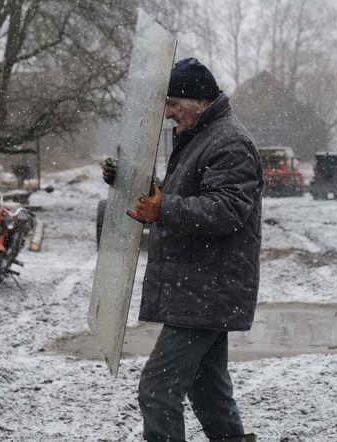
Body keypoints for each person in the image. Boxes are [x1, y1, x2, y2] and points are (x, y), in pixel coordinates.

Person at [102, 57, 262, 442]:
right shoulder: (202, 137)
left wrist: (164, 209)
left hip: (206, 290)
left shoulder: (229, 142)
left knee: (156, 391)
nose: (168, 114)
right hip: (202, 287)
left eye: (173, 104)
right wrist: (131, 183)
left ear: (198, 100)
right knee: (208, 390)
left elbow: (227, 210)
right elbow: (179, 198)